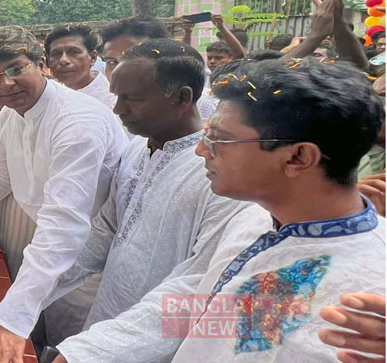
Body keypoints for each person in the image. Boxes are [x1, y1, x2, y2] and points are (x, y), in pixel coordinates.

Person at [52, 58, 385, 362]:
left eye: (219, 140)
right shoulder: (254, 220)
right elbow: (203, 299)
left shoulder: (366, 300)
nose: (200, 150)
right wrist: (86, 353)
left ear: (297, 157)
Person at [0, 26, 128, 363]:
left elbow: (64, 225)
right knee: (41, 337)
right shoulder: (7, 118)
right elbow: (2, 175)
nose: (7, 83)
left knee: (72, 345)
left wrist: (12, 320)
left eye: (16, 69)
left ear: (40, 62)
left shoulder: (76, 122)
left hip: (89, 258)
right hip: (49, 248)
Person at [40, 40, 269, 348]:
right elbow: (105, 231)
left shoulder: (221, 177)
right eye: (117, 96)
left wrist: (99, 351)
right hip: (106, 320)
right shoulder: (136, 146)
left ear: (181, 98)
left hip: (155, 343)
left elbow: (195, 288)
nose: (118, 109)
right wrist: (36, 286)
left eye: (132, 99)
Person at [44, 24, 116, 109]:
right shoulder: (48, 97)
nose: (63, 60)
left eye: (74, 52)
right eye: (56, 54)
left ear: (93, 57)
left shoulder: (111, 101)